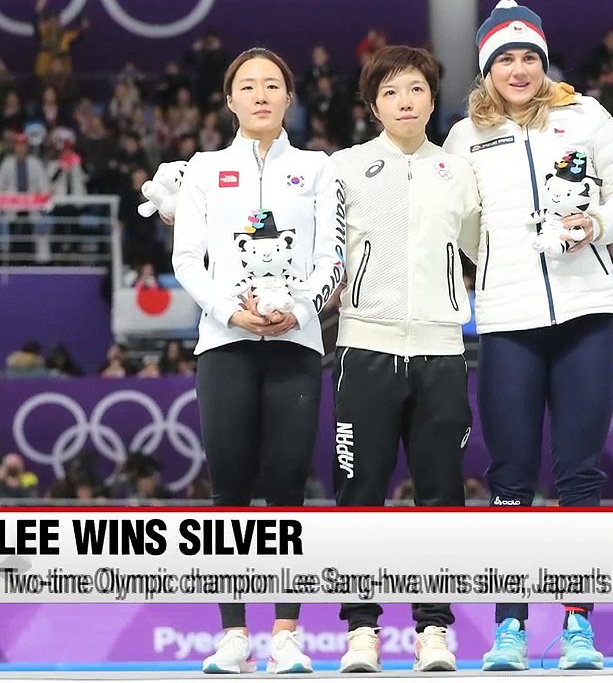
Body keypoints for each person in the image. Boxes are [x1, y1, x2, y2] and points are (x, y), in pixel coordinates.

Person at [443, 0, 613, 671]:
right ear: (488, 68)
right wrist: (493, 260)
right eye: (506, 58)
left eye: (529, 55)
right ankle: (509, 627)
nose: (520, 68)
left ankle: (577, 625)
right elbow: (457, 221)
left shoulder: (585, 116)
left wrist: (599, 228)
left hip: (587, 310)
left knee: (580, 475)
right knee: (509, 476)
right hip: (506, 320)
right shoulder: (466, 134)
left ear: (543, 60)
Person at [167, 47, 345, 675]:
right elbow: (186, 259)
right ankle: (234, 634)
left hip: (296, 343)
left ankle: (288, 636)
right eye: (249, 85)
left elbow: (332, 258)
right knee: (230, 491)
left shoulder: (319, 169)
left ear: (289, 98)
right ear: (230, 99)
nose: (262, 94)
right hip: (225, 344)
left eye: (274, 84)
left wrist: (300, 312)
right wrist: (228, 312)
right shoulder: (203, 171)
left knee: (288, 490)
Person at [327, 45, 481, 674]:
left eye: (416, 88)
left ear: (432, 97)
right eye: (391, 92)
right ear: (373, 106)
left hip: (442, 352)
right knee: (359, 494)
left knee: (442, 495)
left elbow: (485, 249)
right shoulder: (344, 168)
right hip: (364, 347)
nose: (406, 101)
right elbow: (322, 253)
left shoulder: (458, 171)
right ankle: (362, 630)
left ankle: (434, 631)